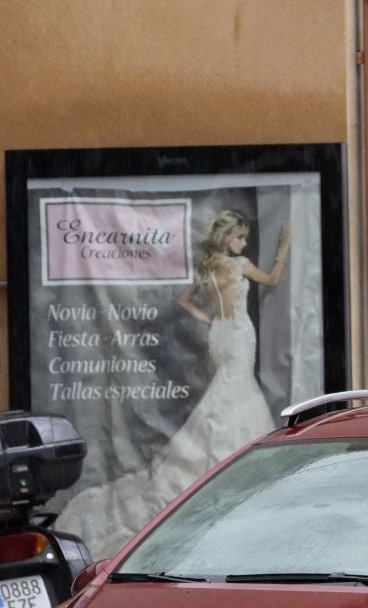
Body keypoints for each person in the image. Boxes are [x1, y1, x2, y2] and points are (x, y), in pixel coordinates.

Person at [58, 210, 289, 556]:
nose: (243, 243)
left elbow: (184, 301)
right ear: (227, 238)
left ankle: (214, 456)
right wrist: (283, 247)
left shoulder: (208, 269)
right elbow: (271, 280)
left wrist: (207, 318)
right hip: (238, 332)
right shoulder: (239, 265)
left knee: (226, 390)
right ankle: (232, 460)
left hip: (219, 333)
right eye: (239, 237)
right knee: (237, 389)